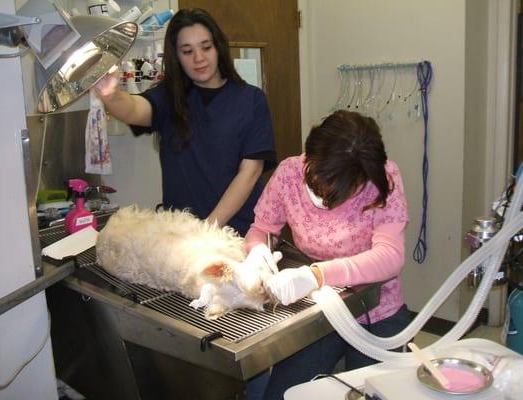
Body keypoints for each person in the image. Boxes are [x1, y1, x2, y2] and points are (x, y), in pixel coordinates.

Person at [244, 110, 411, 399]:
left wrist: (317, 274)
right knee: (284, 394)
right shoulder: (289, 173)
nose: (323, 197)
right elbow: (261, 229)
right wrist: (257, 251)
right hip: (316, 313)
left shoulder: (381, 178)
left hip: (376, 312)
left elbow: (390, 256)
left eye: (336, 191)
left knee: (374, 393)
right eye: (317, 183)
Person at [94, 8, 276, 235]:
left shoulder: (250, 100)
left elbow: (249, 173)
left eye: (206, 47)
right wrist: (111, 94)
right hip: (181, 234)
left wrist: (208, 229)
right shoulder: (169, 98)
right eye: (187, 51)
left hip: (238, 233)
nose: (198, 58)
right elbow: (133, 109)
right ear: (177, 57)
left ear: (218, 47)